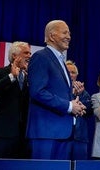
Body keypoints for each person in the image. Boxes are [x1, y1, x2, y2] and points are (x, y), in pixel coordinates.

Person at [26, 20, 86, 160]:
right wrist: (69, 106)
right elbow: (37, 92)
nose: (69, 37)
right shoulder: (41, 57)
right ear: (52, 36)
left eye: (69, 33)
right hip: (46, 133)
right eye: (65, 32)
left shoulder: (60, 61)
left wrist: (75, 104)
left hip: (62, 132)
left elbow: (59, 92)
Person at [0, 41, 31, 159]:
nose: (29, 55)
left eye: (30, 53)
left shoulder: (30, 77)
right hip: (3, 134)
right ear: (15, 56)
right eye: (26, 52)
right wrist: (11, 77)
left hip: (24, 136)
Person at [65, 60, 93, 160]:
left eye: (73, 73)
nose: (70, 75)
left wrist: (79, 95)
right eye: (68, 72)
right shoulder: (59, 90)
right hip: (62, 137)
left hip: (79, 137)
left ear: (76, 75)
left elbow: (90, 110)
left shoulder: (83, 92)